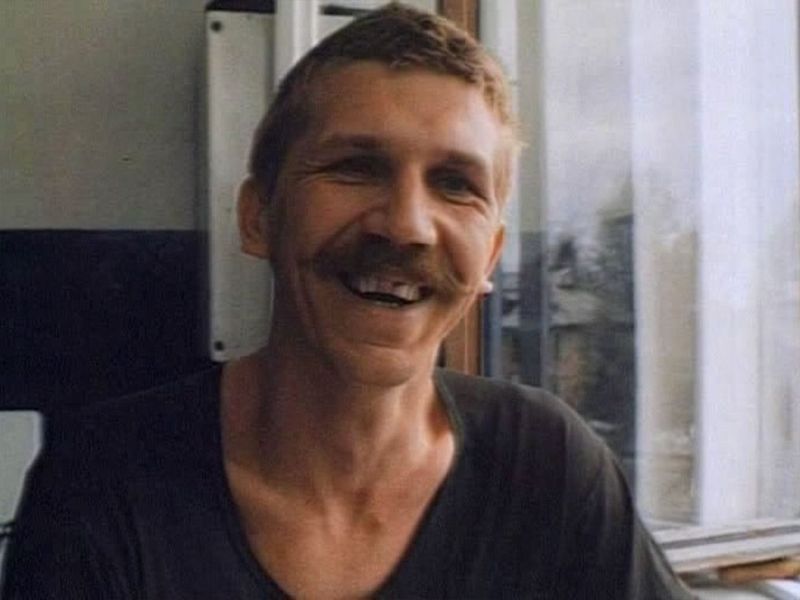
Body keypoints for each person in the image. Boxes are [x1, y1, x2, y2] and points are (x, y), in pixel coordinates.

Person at [1, 3, 694, 598]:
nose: (407, 226)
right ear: (258, 217)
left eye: (455, 184)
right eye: (356, 168)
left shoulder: (547, 467)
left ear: (488, 256)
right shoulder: (106, 482)